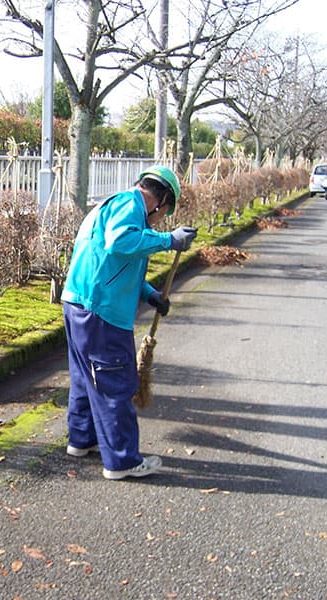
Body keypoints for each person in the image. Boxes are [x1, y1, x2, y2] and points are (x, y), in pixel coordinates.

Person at [60, 165, 197, 480]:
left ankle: (83, 439)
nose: (163, 219)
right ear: (161, 200)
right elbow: (120, 242)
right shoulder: (130, 205)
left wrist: (150, 295)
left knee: (86, 377)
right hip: (101, 312)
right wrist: (168, 241)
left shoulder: (111, 206)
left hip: (80, 303)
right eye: (166, 213)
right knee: (114, 383)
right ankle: (122, 461)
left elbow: (115, 265)